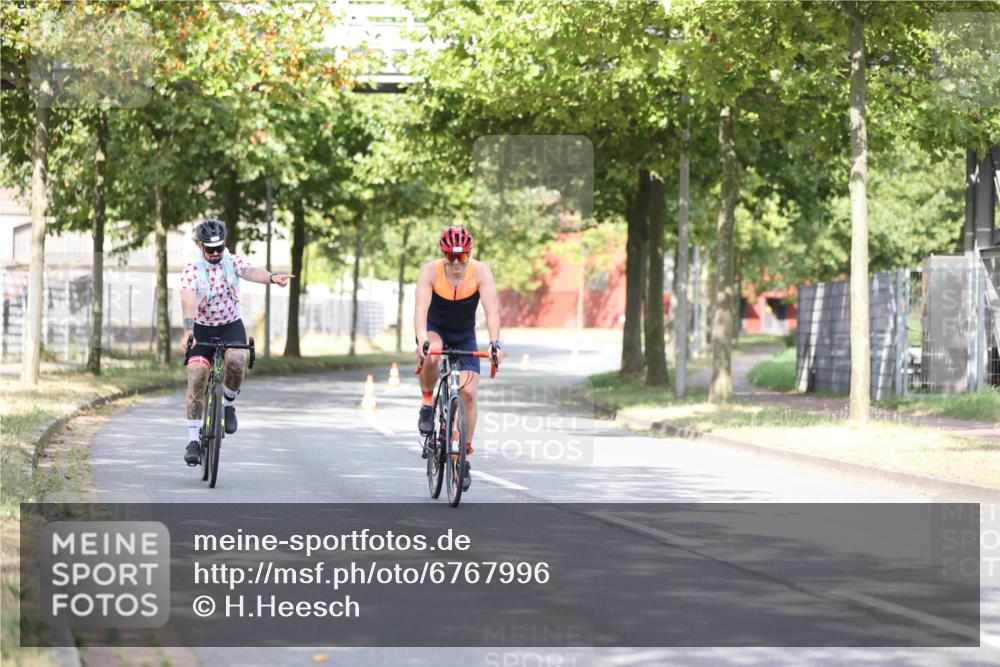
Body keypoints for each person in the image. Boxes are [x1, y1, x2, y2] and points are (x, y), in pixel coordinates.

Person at [178, 219, 293, 466]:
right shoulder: (192, 269)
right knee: (197, 375)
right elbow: (187, 300)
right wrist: (189, 330)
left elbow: (252, 271)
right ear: (201, 247)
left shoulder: (232, 260)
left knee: (238, 359)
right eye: (210, 249)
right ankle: (193, 440)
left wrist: (272, 277)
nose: (216, 253)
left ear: (225, 243)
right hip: (202, 327)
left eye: (219, 247)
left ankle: (229, 403)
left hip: (231, 324)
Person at [414, 225, 505, 491]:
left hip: (464, 333)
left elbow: (492, 313)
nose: (456, 263)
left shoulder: (481, 271)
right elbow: (420, 310)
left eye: (462, 257)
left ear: (469, 253)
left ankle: (464, 456)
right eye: (450, 257)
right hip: (435, 329)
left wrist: (495, 343)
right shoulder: (430, 271)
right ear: (443, 254)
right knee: (432, 355)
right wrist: (422, 341)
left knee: (468, 393)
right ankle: (428, 402)